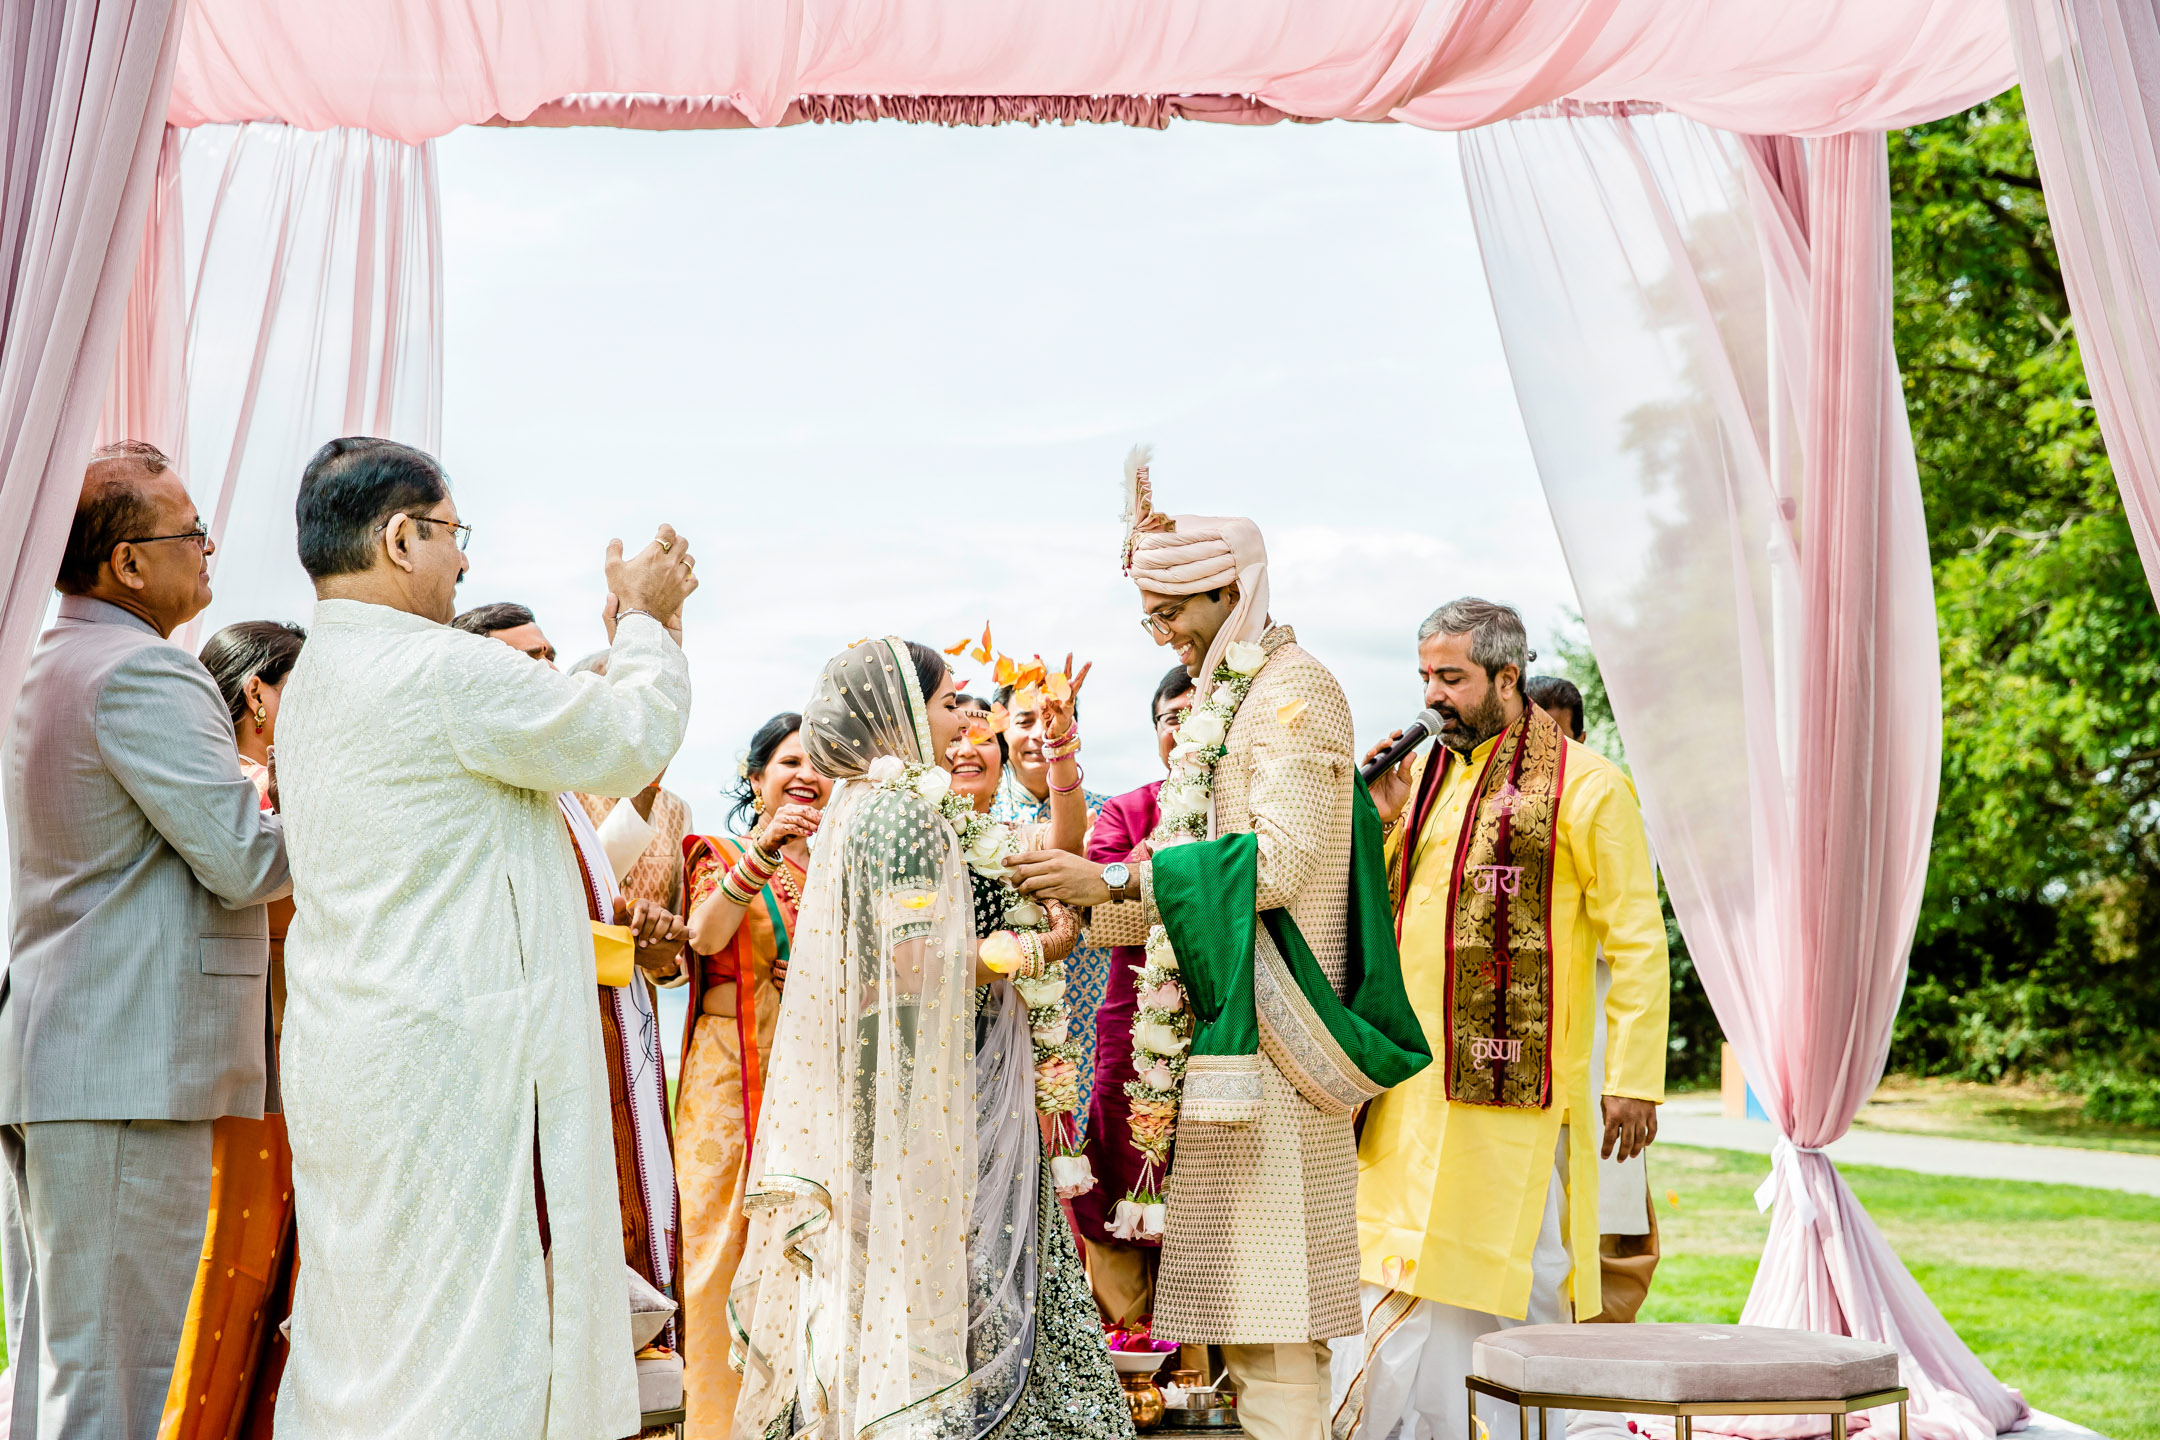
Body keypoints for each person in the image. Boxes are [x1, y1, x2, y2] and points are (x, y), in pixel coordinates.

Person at [270, 436, 695, 1440]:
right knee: (466, 1339)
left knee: (372, 1332)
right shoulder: (433, 667)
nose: (464, 563)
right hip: (451, 1054)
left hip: (358, 1048)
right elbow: (627, 736)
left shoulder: (324, 670)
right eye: (455, 536)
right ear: (401, 536)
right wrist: (643, 620)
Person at [1007, 450, 1429, 1440]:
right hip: (1227, 1053)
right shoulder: (1228, 697)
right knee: (1243, 1329)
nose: (1160, 634)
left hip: (1279, 1052)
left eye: (1172, 613)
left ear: (1229, 592)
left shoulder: (1296, 693)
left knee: (1276, 1329)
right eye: (1149, 616)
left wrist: (1111, 879)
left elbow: (1275, 865)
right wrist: (1088, 924)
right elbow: (1191, 873)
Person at [727, 639, 1129, 1440]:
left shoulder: (894, 804)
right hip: (927, 1085)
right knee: (947, 1285)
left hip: (928, 1072)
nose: (966, 722)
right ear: (900, 713)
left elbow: (1052, 855)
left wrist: (1060, 763)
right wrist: (1033, 951)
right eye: (950, 703)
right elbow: (915, 966)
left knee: (930, 1282)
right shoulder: (902, 812)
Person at [0, 440, 290, 1439]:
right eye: (191, 532)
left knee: (64, 1370)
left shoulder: (50, 659)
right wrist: (374, 805)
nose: (210, 551)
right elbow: (249, 859)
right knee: (114, 1385)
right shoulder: (142, 674)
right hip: (124, 1066)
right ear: (128, 563)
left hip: (70, 1058)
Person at [1333, 601, 1669, 1440]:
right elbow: (1394, 911)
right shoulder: (1426, 783)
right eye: (1425, 679)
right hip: (1410, 1088)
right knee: (1393, 1266)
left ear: (1507, 679)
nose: (1433, 698)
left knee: (1510, 1279)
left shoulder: (1589, 786)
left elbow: (1636, 941)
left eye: (1452, 679)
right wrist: (1373, 817)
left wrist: (1633, 1081)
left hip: (1510, 1096)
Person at [450, 600, 692, 1358]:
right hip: (505, 1060)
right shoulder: (483, 778)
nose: (549, 674)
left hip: (604, 1032)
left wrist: (639, 935)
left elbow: (600, 875)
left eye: (552, 656)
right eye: (528, 662)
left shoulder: (552, 790)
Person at [158, 620, 309, 1440]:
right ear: (259, 695)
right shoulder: (243, 792)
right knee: (225, 1287)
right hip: (248, 1076)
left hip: (279, 1071)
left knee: (257, 1295)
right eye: (308, 691)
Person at [676, 712, 830, 1438]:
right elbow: (704, 937)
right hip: (731, 1076)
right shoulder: (723, 850)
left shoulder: (838, 867)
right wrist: (760, 857)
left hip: (816, 1078)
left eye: (820, 763)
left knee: (809, 1249)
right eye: (789, 762)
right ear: (756, 776)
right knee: (718, 1246)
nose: (806, 775)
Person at [1523, 673, 1660, 1325]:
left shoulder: (1605, 795)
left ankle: (1594, 1375)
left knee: (1608, 1219)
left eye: (1559, 732)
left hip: (1599, 1042)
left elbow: (1632, 936)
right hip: (1521, 1056)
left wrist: (1631, 1078)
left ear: (1579, 734)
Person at [1070, 664, 1193, 1330]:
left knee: (1206, 1190)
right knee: (1117, 1163)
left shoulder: (1251, 813)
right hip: (1132, 1023)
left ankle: (1200, 1374)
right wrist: (1166, 846)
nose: (1184, 729)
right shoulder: (1127, 809)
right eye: (1172, 718)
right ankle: (1128, 1365)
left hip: (1220, 1026)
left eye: (1198, 715)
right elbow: (1103, 909)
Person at [988, 670, 1117, 1128]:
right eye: (1024, 720)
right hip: (1005, 996)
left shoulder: (1106, 813)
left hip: (1088, 993)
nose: (1037, 734)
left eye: (1052, 719)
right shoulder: (982, 814)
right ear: (999, 728)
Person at [569, 647, 695, 914]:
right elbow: (579, 886)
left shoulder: (676, 809)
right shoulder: (559, 793)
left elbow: (679, 911)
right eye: (612, 699)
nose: (630, 714)